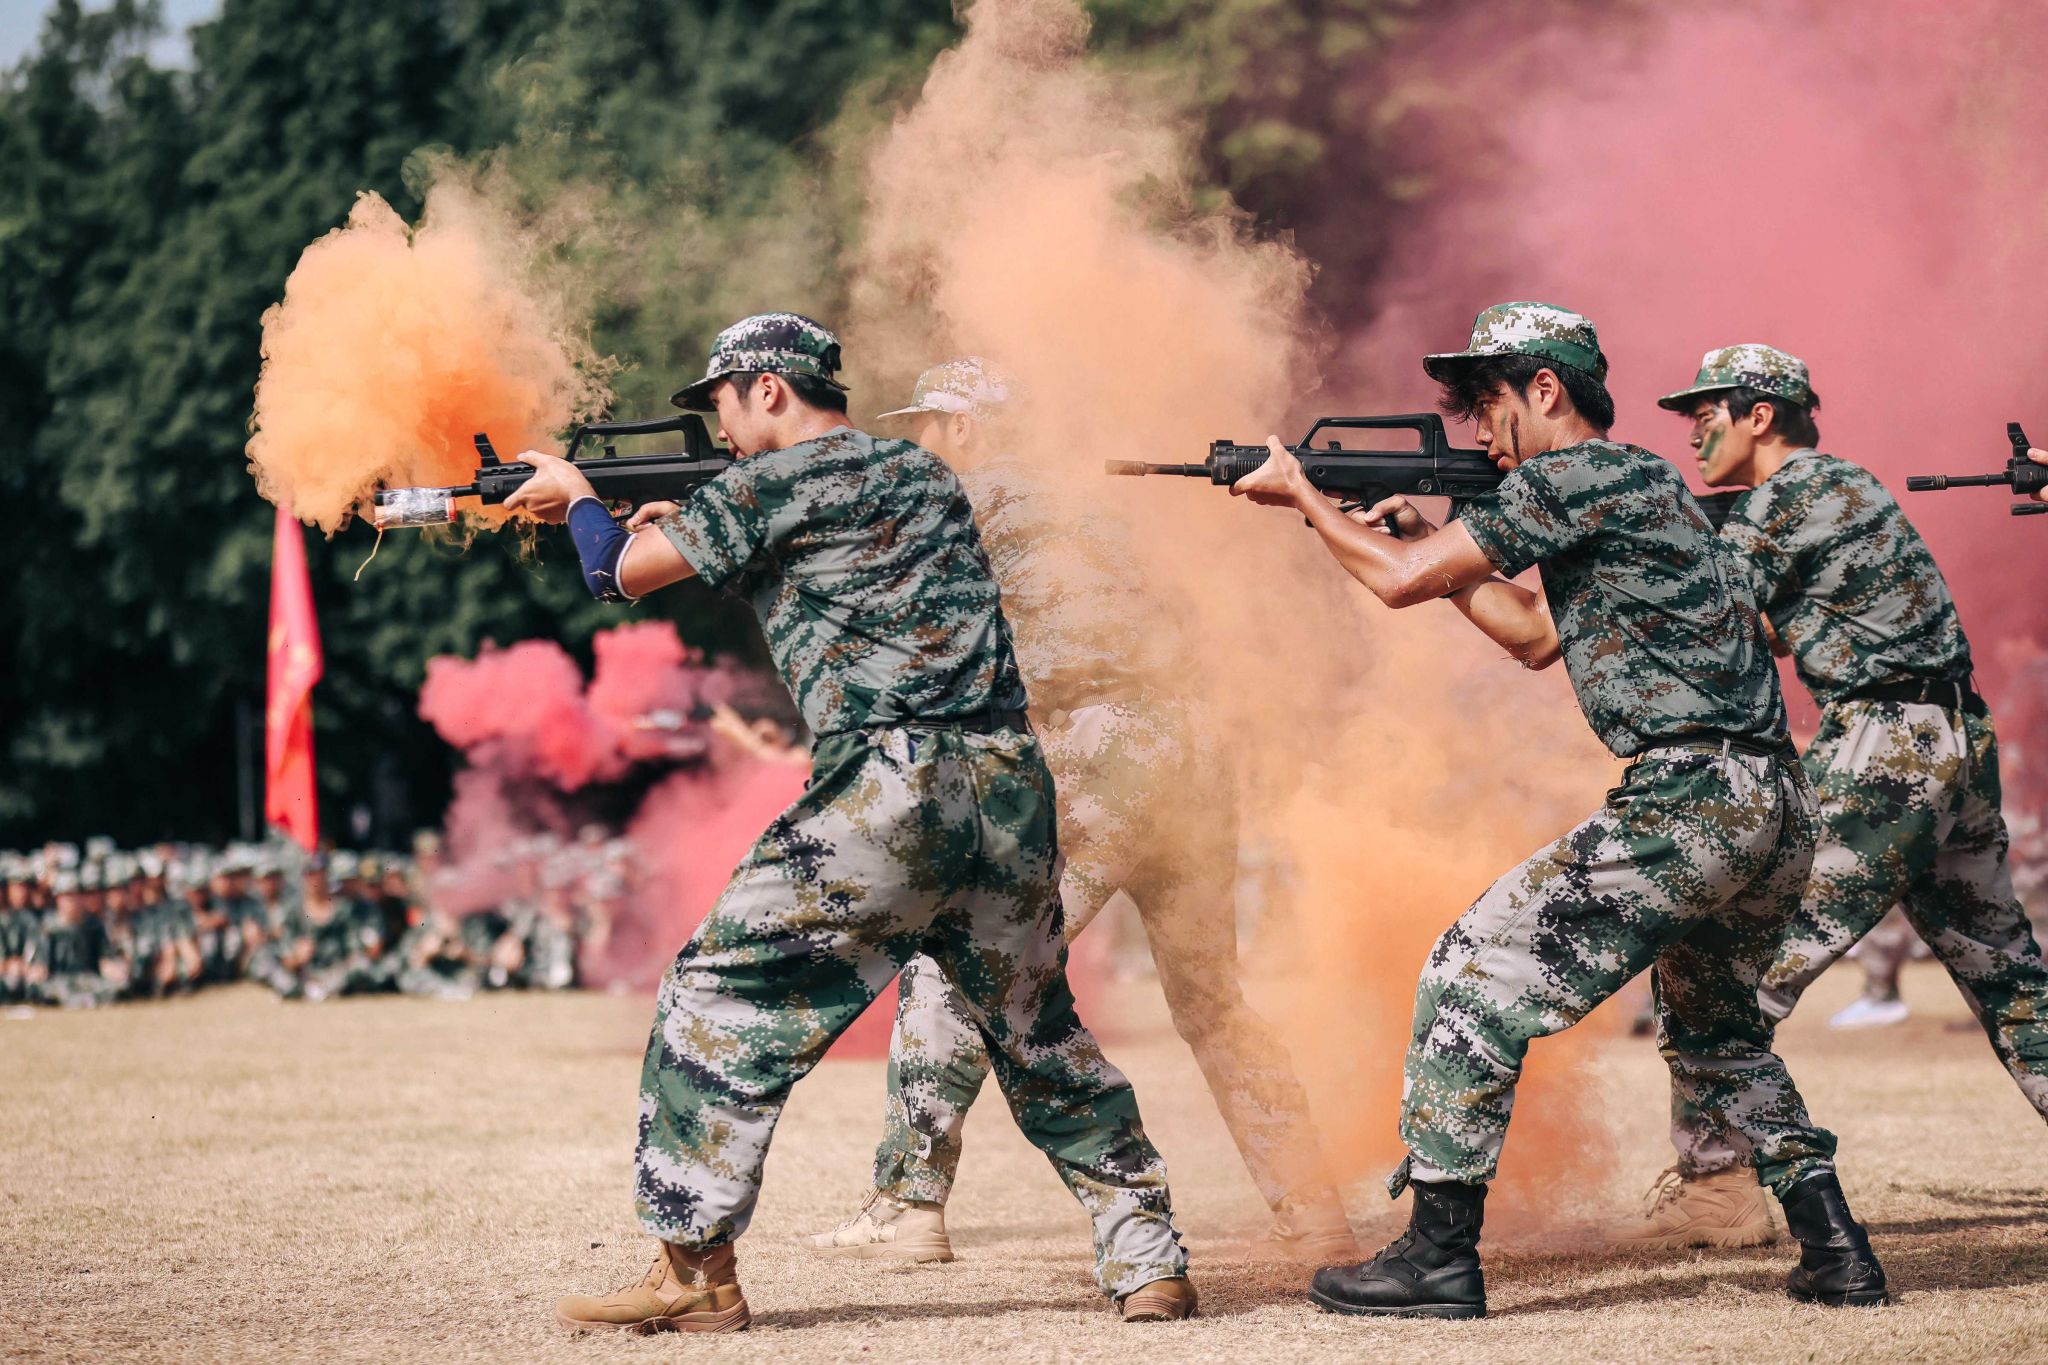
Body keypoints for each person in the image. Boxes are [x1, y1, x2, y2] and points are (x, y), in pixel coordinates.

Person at [508, 313, 1193, 1331]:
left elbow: (615, 575)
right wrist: (689, 520)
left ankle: (696, 1273)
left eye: (723, 400)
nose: (721, 426)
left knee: (712, 994)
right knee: (1036, 1030)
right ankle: (1148, 1263)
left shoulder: (766, 483)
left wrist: (576, 500)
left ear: (768, 388)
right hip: (1008, 781)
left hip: (889, 784)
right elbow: (837, 572)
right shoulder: (925, 475)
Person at [1230, 302, 1884, 1317]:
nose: (1478, 435)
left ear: (1544, 389)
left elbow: (1396, 583)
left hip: (1690, 798)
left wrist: (1303, 497)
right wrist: (1437, 548)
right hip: (1770, 801)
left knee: (1468, 974)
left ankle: (1438, 1255)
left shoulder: (1568, 474)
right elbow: (1537, 637)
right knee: (1720, 1038)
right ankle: (1835, 1248)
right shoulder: (1643, 478)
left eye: (1485, 406)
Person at [799, 358, 1356, 1268]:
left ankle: (908, 1204)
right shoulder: (1096, 503)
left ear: (965, 427)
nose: (920, 443)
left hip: (1099, 747)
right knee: (1213, 1001)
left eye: (928, 425)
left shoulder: (971, 498)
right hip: (1191, 751)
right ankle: (1314, 1210)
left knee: (954, 961)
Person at [1605, 345, 2048, 1248]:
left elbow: (1701, 616)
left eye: (1706, 414)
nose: (1693, 434)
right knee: (2010, 980)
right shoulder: (1842, 489)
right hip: (1948, 736)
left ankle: (1717, 1184)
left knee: (1732, 963)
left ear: (1760, 414)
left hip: (1886, 745)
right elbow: (1770, 627)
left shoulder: (1790, 495)